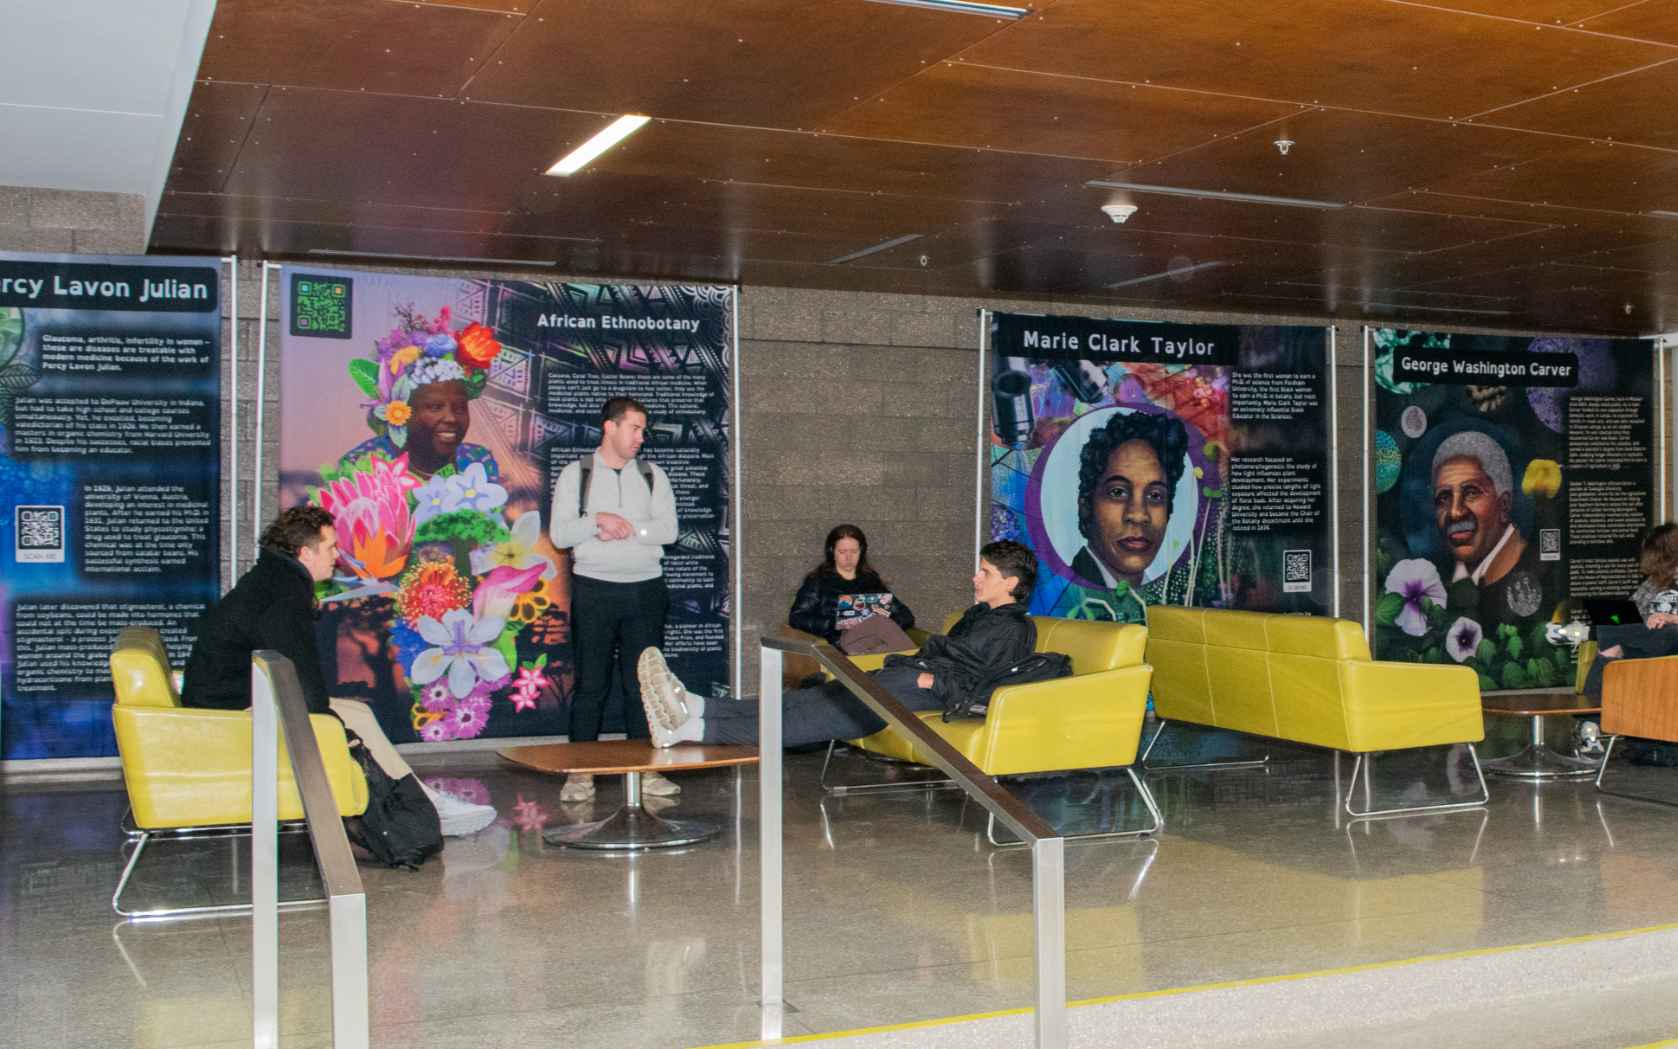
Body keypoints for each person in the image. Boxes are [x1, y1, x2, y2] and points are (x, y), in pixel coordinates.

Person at [181, 506, 496, 836]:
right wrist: (335, 729)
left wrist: (334, 720)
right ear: (306, 552)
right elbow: (300, 676)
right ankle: (421, 806)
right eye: (330, 547)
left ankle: (424, 801)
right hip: (226, 716)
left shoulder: (274, 579)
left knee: (358, 712)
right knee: (344, 722)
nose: (337, 556)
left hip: (231, 702)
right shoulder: (284, 594)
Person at [638, 541, 1040, 749]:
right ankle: (699, 707)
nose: (975, 578)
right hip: (907, 680)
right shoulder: (979, 616)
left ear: (1011, 583)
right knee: (801, 700)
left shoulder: (1014, 630)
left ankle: (691, 730)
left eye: (985, 573)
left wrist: (922, 683)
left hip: (919, 693)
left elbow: (985, 687)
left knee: (809, 719)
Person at [549, 396, 680, 801]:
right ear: (610, 427)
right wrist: (597, 522)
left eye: (643, 430)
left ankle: (647, 773)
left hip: (646, 591)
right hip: (594, 590)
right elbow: (560, 534)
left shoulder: (653, 474)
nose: (641, 437)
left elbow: (668, 530)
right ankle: (580, 772)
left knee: (642, 685)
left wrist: (628, 529)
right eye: (634, 428)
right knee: (591, 685)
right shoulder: (577, 474)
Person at [1068, 410, 1188, 624]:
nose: (1138, 514)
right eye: (1118, 492)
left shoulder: (1166, 601)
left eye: (1155, 495)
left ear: (1168, 512)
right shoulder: (1069, 597)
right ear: (1086, 507)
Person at [1431, 431, 1544, 624]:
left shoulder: (1536, 571)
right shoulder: (1448, 583)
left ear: (1504, 505)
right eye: (1444, 497)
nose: (1455, 512)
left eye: (1471, 492)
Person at [1580, 522, 1678, 701]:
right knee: (1612, 645)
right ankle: (1593, 717)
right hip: (1646, 639)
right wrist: (1616, 617)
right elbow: (1631, 609)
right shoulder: (1654, 582)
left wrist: (1670, 617)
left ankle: (1588, 632)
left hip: (1670, 639)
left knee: (1666, 633)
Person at [788, 525, 915, 644]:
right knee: (882, 630)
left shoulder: (870, 580)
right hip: (839, 641)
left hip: (873, 639)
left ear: (861, 551)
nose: (849, 557)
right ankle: (917, 663)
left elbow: (906, 616)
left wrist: (883, 622)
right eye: (843, 552)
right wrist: (834, 623)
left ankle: (916, 662)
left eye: (854, 551)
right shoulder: (818, 580)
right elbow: (797, 618)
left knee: (885, 641)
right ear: (832, 552)